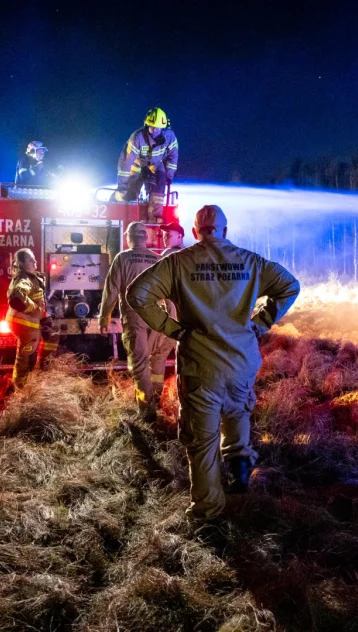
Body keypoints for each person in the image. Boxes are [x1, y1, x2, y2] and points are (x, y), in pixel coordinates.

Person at [126, 205, 300, 523]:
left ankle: (208, 513)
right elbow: (290, 286)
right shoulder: (251, 262)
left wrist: (172, 329)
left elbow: (138, 294)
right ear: (225, 230)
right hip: (242, 361)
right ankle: (240, 483)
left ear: (195, 232)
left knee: (202, 440)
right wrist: (260, 324)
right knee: (237, 417)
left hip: (200, 363)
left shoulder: (178, 263)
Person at [99, 221, 160, 419]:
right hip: (158, 317)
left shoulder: (122, 259)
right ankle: (157, 400)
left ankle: (146, 413)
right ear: (146, 238)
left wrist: (104, 318)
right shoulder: (157, 259)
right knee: (156, 360)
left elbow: (111, 291)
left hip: (135, 317)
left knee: (140, 363)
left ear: (128, 237)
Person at [6, 248, 59, 388]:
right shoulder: (23, 279)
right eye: (30, 260)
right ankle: (21, 390)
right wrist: (38, 312)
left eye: (34, 259)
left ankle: (40, 373)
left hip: (31, 323)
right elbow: (16, 298)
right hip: (25, 324)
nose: (35, 262)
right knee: (26, 358)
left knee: (51, 339)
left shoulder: (33, 278)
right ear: (22, 264)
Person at [115, 107, 179, 221]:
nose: (154, 131)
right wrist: (122, 186)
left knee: (160, 184)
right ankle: (130, 218)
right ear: (146, 125)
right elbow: (126, 162)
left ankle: (155, 218)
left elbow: (173, 157)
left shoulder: (170, 136)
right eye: (152, 127)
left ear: (164, 127)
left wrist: (169, 176)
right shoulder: (137, 138)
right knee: (131, 191)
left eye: (158, 128)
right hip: (137, 164)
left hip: (156, 164)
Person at [147, 222, 187, 408]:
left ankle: (154, 398)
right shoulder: (191, 254)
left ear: (179, 236)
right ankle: (185, 399)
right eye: (163, 235)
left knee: (157, 354)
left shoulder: (167, 255)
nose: (164, 238)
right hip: (190, 316)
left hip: (171, 316)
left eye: (168, 235)